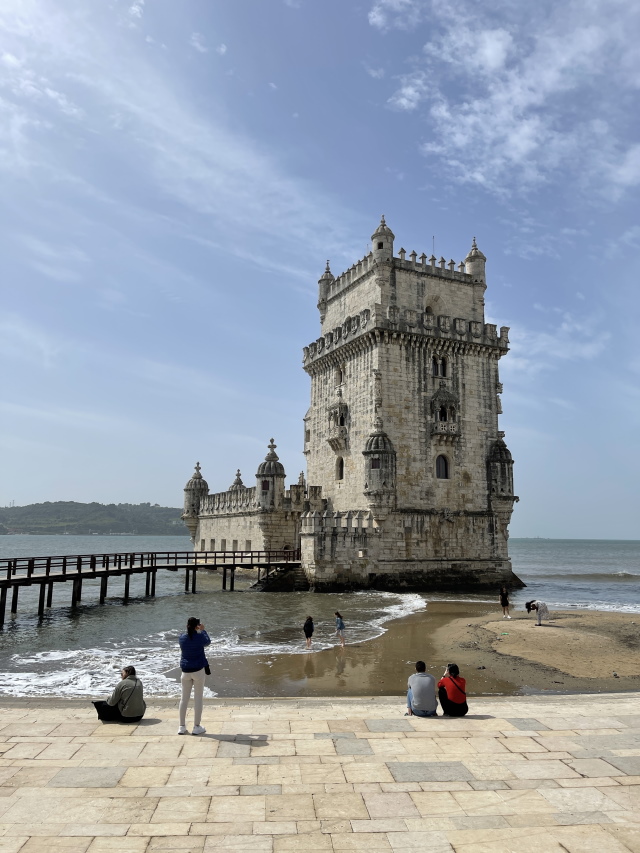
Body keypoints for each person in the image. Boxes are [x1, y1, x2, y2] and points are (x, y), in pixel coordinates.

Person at [178, 617, 211, 735]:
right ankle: (196, 727)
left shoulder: (182, 637)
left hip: (185, 671)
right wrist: (202, 630)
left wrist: (196, 631)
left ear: (187, 625)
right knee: (198, 699)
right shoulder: (200, 636)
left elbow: (189, 639)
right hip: (198, 670)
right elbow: (207, 642)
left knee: (184, 699)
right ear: (197, 626)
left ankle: (181, 726)